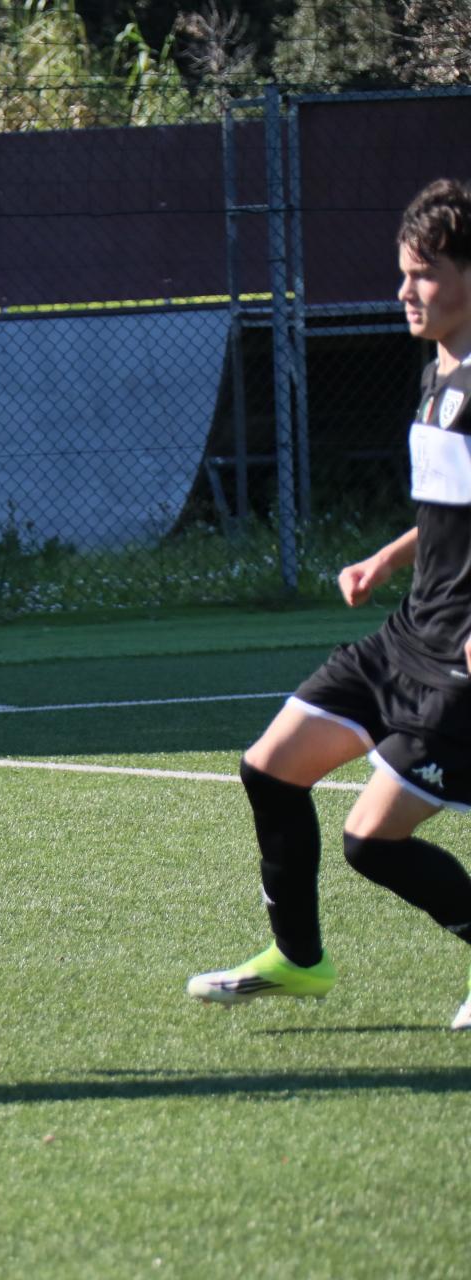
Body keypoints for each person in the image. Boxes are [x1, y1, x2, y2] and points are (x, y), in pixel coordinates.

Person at [188, 177, 471, 1031]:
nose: (405, 291)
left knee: (370, 843)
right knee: (270, 767)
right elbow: (450, 507)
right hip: (408, 635)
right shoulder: (439, 371)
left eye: (424, 273)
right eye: (403, 272)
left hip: (459, 663)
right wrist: (387, 557)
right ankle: (298, 959)